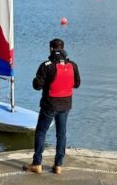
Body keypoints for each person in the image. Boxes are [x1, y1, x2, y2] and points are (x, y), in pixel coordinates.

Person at [24, 38, 80, 175]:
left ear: (51, 49)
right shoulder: (73, 65)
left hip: (49, 105)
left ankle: (37, 164)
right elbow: (77, 84)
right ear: (63, 48)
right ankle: (58, 165)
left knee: (41, 132)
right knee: (61, 134)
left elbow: (37, 86)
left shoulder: (47, 65)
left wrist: (35, 80)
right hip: (65, 105)